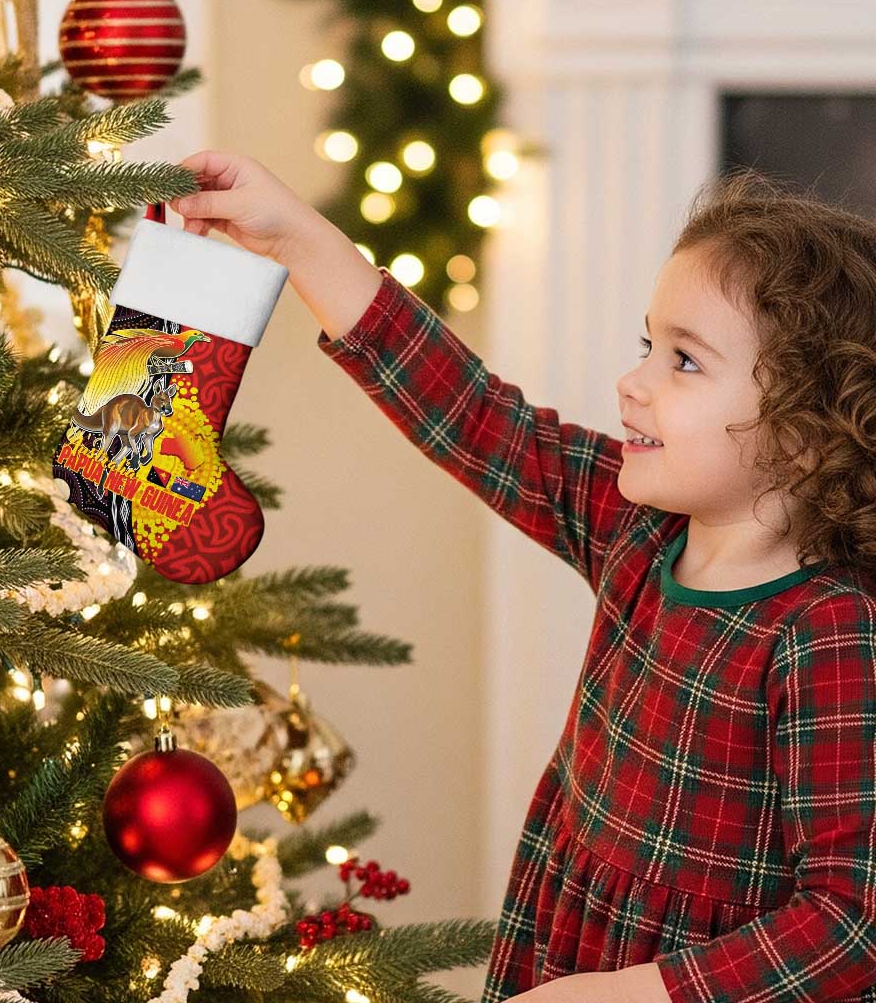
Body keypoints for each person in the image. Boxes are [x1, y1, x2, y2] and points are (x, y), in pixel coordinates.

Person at [169, 152, 876, 1003]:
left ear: (807, 433)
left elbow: (850, 921)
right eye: (649, 346)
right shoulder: (638, 531)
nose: (634, 382)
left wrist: (630, 995)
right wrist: (303, 241)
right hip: (567, 943)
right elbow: (473, 414)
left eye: (684, 362)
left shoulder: (830, 632)